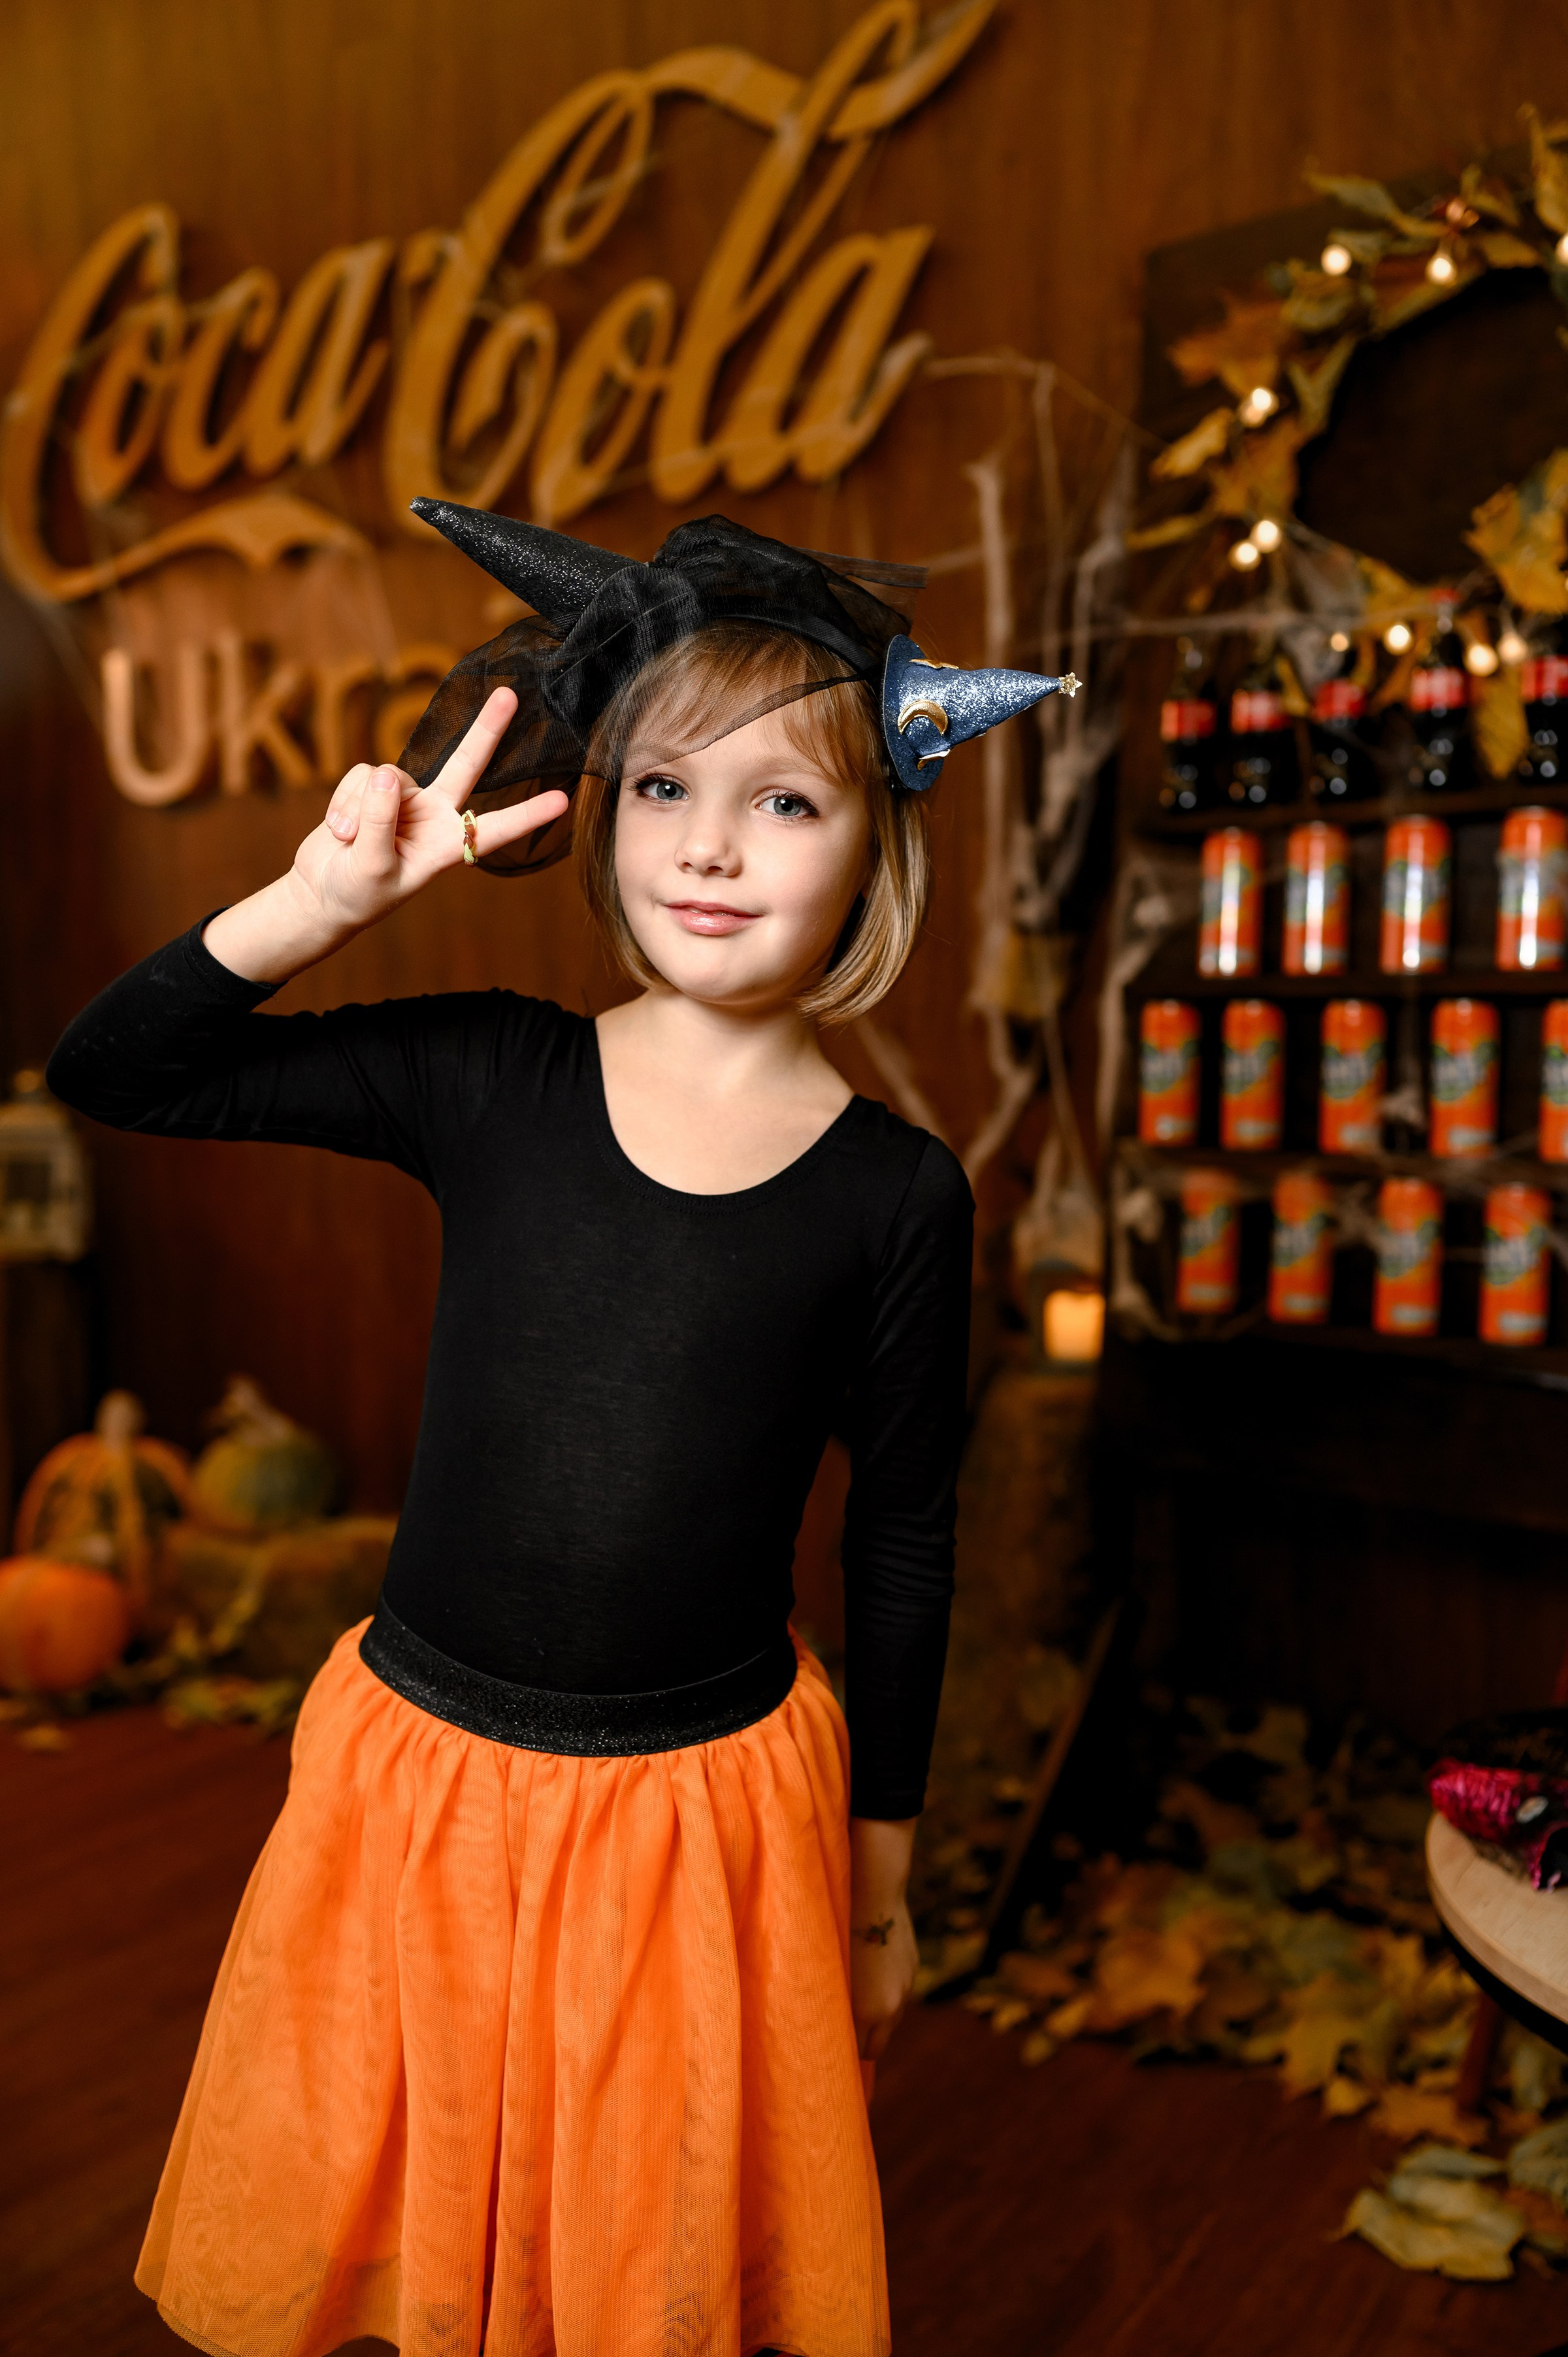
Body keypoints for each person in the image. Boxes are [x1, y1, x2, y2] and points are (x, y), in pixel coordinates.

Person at [47, 508, 1075, 2357]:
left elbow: (902, 1537)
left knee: (630, 2259)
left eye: (787, 802)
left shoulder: (897, 1195)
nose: (708, 842)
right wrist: (323, 908)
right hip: (426, 1781)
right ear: (599, 809)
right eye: (667, 780)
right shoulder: (493, 1072)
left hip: (705, 1817)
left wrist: (885, 1873)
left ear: (877, 847)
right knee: (424, 2212)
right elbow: (114, 1071)